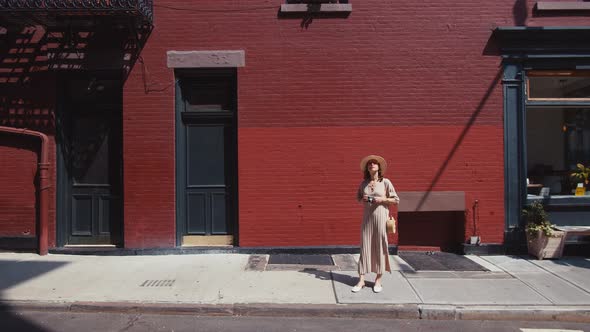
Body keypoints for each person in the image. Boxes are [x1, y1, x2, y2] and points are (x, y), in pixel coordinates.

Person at [352, 155, 400, 293]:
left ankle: (378, 280)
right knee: (364, 247)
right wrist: (364, 199)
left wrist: (381, 199)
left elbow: (396, 200)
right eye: (369, 164)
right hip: (367, 219)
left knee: (380, 247)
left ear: (379, 167)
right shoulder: (364, 183)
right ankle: (361, 280)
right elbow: (359, 198)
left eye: (374, 163)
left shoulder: (386, 182)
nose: (371, 165)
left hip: (380, 218)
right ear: (367, 169)